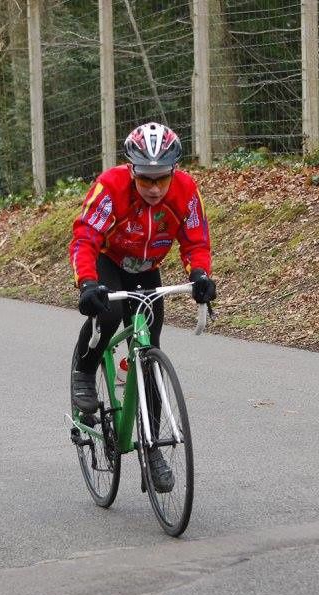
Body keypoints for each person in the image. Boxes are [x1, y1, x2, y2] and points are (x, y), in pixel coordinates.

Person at [68, 122, 216, 492]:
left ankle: (152, 452)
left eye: (161, 179)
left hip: (148, 268)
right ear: (131, 169)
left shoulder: (185, 192)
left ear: (174, 172)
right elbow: (85, 237)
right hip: (109, 262)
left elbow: (196, 240)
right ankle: (84, 372)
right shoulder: (111, 187)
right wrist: (87, 283)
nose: (153, 188)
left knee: (149, 352)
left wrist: (199, 274)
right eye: (145, 178)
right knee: (110, 312)